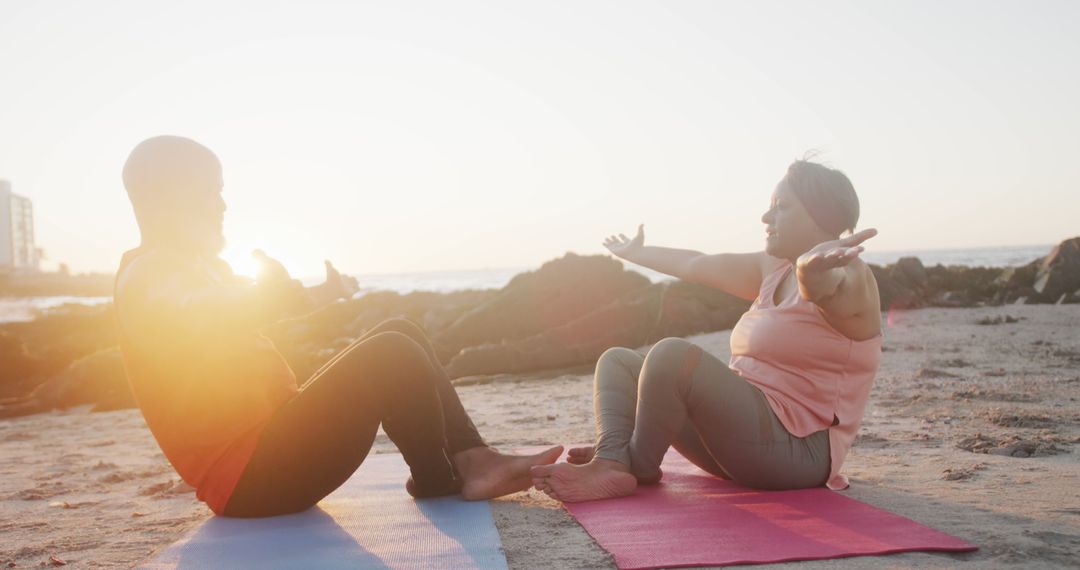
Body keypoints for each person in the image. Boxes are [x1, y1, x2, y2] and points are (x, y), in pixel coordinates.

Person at [114, 135, 562, 517]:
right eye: (210, 192)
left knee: (401, 330)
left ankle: (469, 462)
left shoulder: (190, 267)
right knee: (390, 352)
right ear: (168, 199)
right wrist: (294, 293)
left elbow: (232, 316)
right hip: (249, 479)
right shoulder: (149, 274)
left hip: (271, 453)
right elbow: (212, 312)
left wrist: (308, 294)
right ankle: (439, 480)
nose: (222, 205)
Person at [531, 159, 882, 502]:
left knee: (673, 356)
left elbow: (824, 285)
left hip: (799, 454)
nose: (765, 217)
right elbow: (695, 264)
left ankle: (621, 464)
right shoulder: (774, 268)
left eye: (781, 207)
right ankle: (616, 454)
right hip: (740, 445)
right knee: (618, 362)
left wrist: (810, 272)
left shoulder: (852, 277)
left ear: (821, 217)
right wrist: (636, 253)